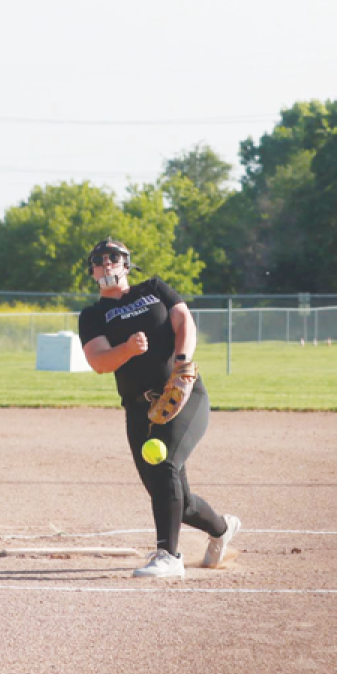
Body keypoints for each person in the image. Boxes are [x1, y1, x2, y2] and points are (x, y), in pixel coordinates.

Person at [77, 238, 241, 578]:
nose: (106, 263)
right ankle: (222, 529)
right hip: (139, 409)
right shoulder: (93, 315)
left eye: (114, 258)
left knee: (163, 461)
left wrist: (182, 363)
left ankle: (168, 556)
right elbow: (99, 361)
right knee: (172, 495)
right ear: (92, 270)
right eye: (99, 260)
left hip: (182, 392)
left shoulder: (153, 289)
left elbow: (184, 322)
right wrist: (127, 348)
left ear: (126, 263)